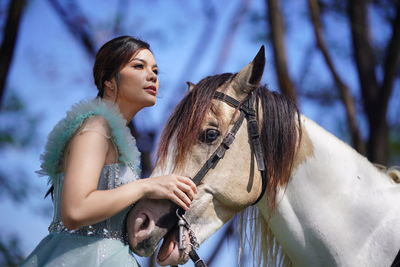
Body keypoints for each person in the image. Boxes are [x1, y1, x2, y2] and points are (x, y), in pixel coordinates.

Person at [21, 36, 197, 267]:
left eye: (155, 70)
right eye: (138, 66)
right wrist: (147, 185)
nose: (152, 75)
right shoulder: (95, 127)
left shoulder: (116, 137)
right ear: (109, 80)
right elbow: (75, 211)